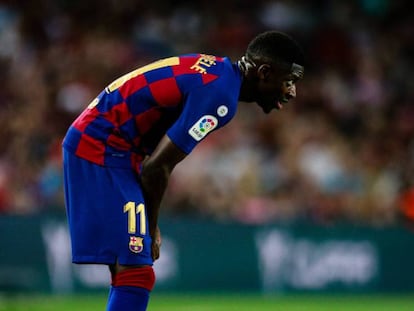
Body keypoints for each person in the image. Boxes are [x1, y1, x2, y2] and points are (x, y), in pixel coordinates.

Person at [62, 30, 305, 311]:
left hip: (112, 146)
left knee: (130, 269)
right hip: (102, 146)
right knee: (136, 269)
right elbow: (157, 167)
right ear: (264, 72)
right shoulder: (220, 97)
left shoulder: (218, 73)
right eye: (289, 81)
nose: (292, 91)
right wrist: (151, 228)